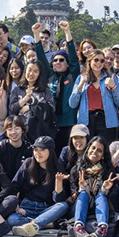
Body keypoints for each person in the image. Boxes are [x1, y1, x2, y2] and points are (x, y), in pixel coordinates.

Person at [8, 136, 70, 237]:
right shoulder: (28, 163)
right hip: (27, 207)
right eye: (35, 150)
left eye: (42, 150)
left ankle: (34, 225)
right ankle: (42, 224)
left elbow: (58, 201)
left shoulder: (57, 169)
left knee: (63, 206)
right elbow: (14, 186)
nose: (38, 153)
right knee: (12, 220)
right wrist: (16, 206)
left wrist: (58, 182)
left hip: (46, 208)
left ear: (50, 151)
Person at [33, 21, 80, 153]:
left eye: (61, 60)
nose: (58, 62)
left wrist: (67, 32)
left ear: (67, 63)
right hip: (52, 124)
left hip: (69, 123)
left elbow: (74, 58)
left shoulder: (72, 76)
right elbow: (41, 57)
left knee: (68, 154)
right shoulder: (50, 76)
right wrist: (36, 34)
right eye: (55, 60)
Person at [70, 136, 117, 237]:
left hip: (100, 207)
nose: (95, 152)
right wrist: (82, 187)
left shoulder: (108, 172)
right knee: (83, 194)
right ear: (88, 149)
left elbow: (110, 199)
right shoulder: (77, 169)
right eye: (93, 148)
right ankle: (78, 228)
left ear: (103, 155)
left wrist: (105, 189)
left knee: (101, 196)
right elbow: (72, 196)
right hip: (80, 207)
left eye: (99, 150)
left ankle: (102, 229)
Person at [69, 49, 119, 145]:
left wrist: (113, 87)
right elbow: (72, 104)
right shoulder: (81, 78)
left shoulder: (111, 77)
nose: (99, 63)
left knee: (106, 149)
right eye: (96, 60)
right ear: (90, 61)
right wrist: (80, 85)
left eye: (102, 60)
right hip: (86, 120)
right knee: (89, 150)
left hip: (106, 120)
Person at [9, 60, 55, 143]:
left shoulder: (45, 91)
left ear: (39, 74)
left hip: (39, 132)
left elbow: (51, 108)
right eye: (29, 70)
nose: (31, 74)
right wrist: (26, 98)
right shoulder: (17, 90)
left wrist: (30, 107)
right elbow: (12, 108)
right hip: (21, 133)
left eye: (35, 71)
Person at [0, 115, 33, 180]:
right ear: (6, 132)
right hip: (5, 186)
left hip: (22, 186)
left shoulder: (29, 148)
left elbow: (29, 173)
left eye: (17, 128)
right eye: (10, 129)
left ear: (22, 130)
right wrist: (8, 188)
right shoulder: (0, 147)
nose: (13, 132)